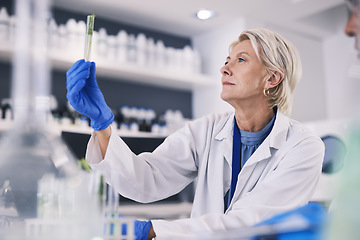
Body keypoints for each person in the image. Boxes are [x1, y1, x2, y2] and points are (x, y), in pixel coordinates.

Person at [66, 28, 325, 240]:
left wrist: (154, 230)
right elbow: (146, 180)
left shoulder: (303, 147)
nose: (224, 69)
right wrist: (101, 122)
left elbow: (251, 223)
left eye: (241, 60)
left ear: (272, 79)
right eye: (226, 61)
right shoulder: (206, 130)